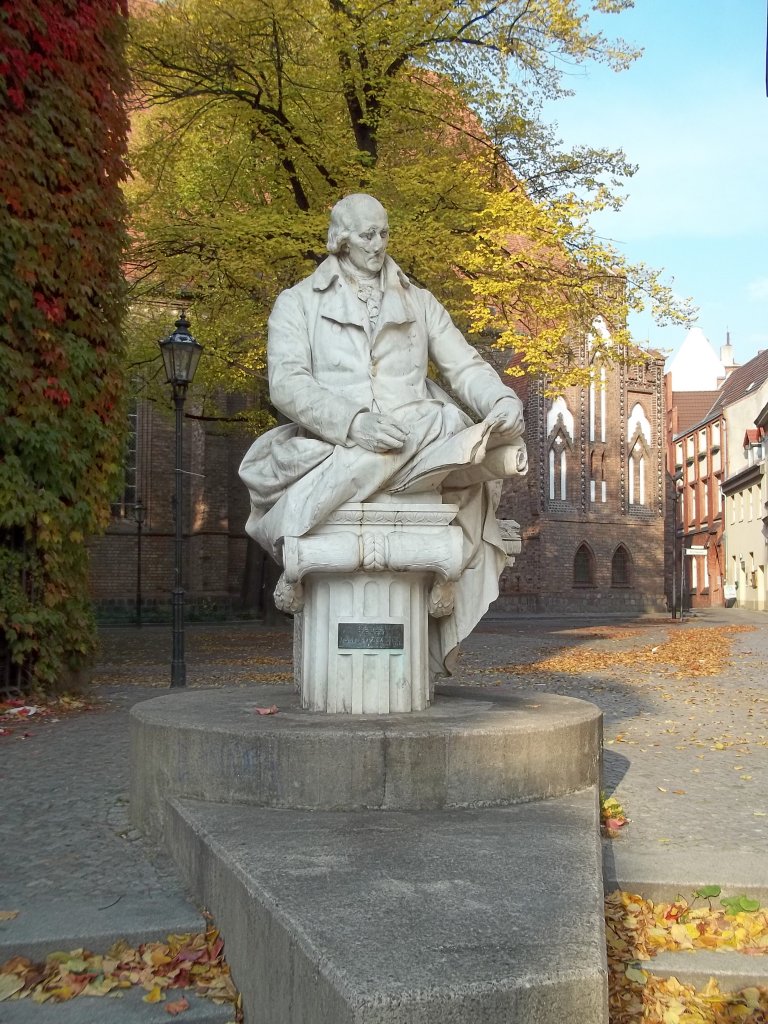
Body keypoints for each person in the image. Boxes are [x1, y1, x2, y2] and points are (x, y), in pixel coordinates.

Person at [239, 193, 526, 675]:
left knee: (443, 419)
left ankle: (299, 526)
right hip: (334, 442)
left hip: (413, 440)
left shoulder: (419, 301)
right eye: (367, 234)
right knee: (442, 424)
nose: (378, 244)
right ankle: (318, 506)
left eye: (384, 233)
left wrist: (501, 401)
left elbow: (464, 365)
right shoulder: (297, 303)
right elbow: (287, 383)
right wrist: (353, 423)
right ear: (340, 239)